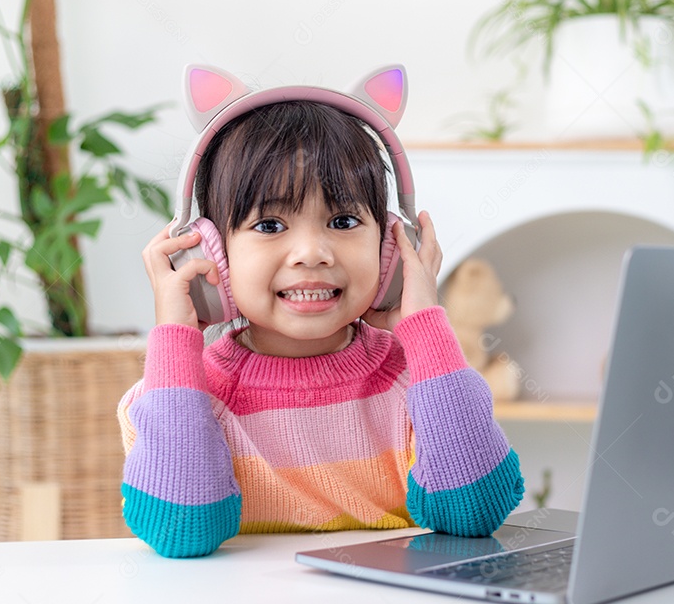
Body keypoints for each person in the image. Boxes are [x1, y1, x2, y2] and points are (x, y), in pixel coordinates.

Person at [118, 68, 524, 558]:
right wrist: (174, 340)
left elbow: (475, 512)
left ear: (393, 247)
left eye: (344, 220)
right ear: (207, 253)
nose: (312, 252)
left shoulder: (420, 384)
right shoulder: (179, 394)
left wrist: (424, 328)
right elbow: (180, 530)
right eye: (269, 224)